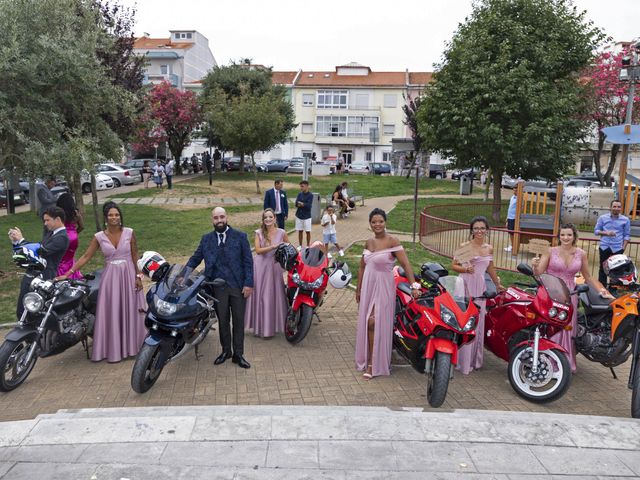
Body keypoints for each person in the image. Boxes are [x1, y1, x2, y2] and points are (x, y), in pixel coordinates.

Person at [59, 202, 146, 362]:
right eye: (111, 215)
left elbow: (135, 256)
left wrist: (138, 277)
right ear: (106, 218)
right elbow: (86, 256)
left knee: (132, 311)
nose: (114, 218)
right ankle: (115, 349)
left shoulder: (129, 232)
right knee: (113, 313)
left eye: (117, 215)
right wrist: (68, 273)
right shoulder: (99, 237)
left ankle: (134, 346)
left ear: (120, 217)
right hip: (111, 280)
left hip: (129, 276)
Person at [532, 224, 612, 373]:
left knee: (568, 327)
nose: (565, 238)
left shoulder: (581, 253)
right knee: (553, 325)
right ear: (559, 236)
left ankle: (565, 361)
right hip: (552, 291)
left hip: (571, 294)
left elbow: (587, 277)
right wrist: (534, 266)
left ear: (574, 236)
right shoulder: (550, 251)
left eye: (569, 235)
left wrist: (602, 290)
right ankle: (548, 359)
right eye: (562, 235)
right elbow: (539, 274)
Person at [355, 208, 420, 379]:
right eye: (374, 222)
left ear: (385, 222)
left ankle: (372, 364)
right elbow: (362, 267)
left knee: (373, 322)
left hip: (384, 287)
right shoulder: (368, 242)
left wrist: (414, 285)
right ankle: (369, 358)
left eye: (380, 221)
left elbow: (406, 265)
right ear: (370, 224)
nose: (377, 224)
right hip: (368, 287)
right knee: (369, 322)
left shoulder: (393, 241)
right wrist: (359, 289)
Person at [186, 207, 253, 368]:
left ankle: (238, 354)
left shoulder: (240, 236)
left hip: (237, 286)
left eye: (222, 217)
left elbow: (248, 262)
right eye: (216, 218)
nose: (219, 220)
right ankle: (226, 351)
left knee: (238, 321)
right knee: (223, 321)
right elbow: (195, 258)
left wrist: (249, 283)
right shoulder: (206, 239)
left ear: (227, 217)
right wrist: (184, 273)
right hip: (217, 288)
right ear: (212, 220)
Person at [451, 216, 504, 375]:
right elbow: (454, 266)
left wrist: (497, 284)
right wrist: (465, 269)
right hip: (465, 285)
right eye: (476, 228)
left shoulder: (489, 248)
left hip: (480, 287)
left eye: (482, 228)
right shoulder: (465, 246)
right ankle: (461, 360)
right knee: (465, 321)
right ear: (471, 230)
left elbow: (490, 267)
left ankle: (474, 359)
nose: (479, 231)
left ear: (487, 230)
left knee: (477, 322)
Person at [9, 206, 69, 319]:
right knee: (22, 311)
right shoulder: (51, 233)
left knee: (31, 313)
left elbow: (40, 251)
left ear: (58, 220)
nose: (45, 223)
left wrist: (21, 240)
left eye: (47, 220)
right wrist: (17, 242)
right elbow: (37, 247)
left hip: (43, 278)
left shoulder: (62, 237)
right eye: (44, 220)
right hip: (33, 276)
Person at [244, 209, 288, 338]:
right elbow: (257, 250)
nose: (268, 219)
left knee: (272, 297)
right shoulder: (259, 233)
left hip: (274, 267)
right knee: (261, 297)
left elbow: (288, 247)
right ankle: (259, 328)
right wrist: (273, 247)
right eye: (265, 217)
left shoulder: (282, 232)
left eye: (270, 217)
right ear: (263, 220)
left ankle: (271, 327)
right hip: (260, 267)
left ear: (275, 218)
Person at [595, 200, 631, 286]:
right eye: (614, 206)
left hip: (618, 248)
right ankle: (602, 288)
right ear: (610, 207)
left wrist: (623, 248)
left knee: (617, 269)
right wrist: (606, 233)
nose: (616, 208)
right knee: (603, 268)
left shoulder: (625, 220)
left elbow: (627, 235)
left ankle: (614, 289)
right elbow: (596, 231)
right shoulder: (602, 218)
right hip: (604, 247)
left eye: (618, 207)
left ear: (621, 208)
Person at [55, 193, 84, 279]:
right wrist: (74, 234)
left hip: (61, 236)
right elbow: (82, 226)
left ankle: (61, 274)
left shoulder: (58, 214)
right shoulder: (75, 214)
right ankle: (73, 275)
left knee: (60, 259)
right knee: (69, 258)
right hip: (73, 237)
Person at [295, 180, 313, 249]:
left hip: (307, 216)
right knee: (300, 231)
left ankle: (308, 245)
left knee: (308, 231)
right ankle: (300, 245)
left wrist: (302, 204)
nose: (301, 188)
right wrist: (299, 204)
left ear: (307, 186)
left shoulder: (310, 195)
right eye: (300, 186)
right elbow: (296, 203)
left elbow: (309, 206)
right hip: (299, 215)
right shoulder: (299, 194)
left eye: (302, 186)